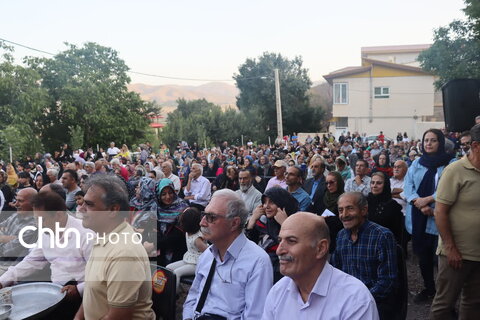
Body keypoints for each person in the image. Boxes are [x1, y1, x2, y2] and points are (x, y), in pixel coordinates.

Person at [262, 212, 379, 320]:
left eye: (291, 241)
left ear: (321, 248)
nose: (279, 251)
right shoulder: (278, 292)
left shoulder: (355, 299)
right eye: (280, 240)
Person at [0, 191, 93, 319]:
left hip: (84, 298)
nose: (39, 225)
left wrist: (79, 289)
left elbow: (101, 277)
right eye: (36, 219)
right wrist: (3, 281)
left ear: (59, 215)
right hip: (57, 292)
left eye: (42, 219)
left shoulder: (85, 235)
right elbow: (31, 261)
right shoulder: (46, 233)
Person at [183, 189, 273, 320]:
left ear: (234, 223)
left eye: (211, 217)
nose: (202, 222)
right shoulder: (207, 255)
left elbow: (255, 316)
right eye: (204, 215)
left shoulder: (258, 262)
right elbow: (192, 299)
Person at [75, 174, 154, 320]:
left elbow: (118, 317)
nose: (81, 209)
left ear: (113, 210)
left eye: (89, 204)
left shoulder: (124, 253)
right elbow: (93, 293)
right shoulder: (103, 236)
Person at [430, 124, 480, 319]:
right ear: (476, 146)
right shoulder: (455, 171)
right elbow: (440, 212)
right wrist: (450, 248)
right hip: (456, 254)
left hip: (478, 254)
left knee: (473, 303)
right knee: (444, 304)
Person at [404, 128, 453, 303]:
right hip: (419, 217)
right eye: (426, 140)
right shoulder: (416, 163)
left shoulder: (450, 164)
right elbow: (408, 187)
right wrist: (418, 202)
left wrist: (429, 199)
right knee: (423, 257)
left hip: (439, 218)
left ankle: (444, 298)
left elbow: (449, 188)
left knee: (440, 261)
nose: (429, 144)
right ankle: (429, 288)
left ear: (440, 143)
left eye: (433, 140)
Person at [332, 192, 397, 319]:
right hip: (345, 302)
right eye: (340, 210)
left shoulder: (382, 236)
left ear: (363, 210)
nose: (344, 215)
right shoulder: (341, 236)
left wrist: (358, 301)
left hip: (373, 303)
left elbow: (387, 282)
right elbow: (335, 272)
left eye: (350, 208)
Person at [245, 187, 299, 283]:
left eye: (272, 202)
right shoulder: (262, 222)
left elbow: (297, 248)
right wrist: (252, 220)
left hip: (285, 274)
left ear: (282, 204)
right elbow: (247, 248)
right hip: (260, 270)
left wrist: (285, 223)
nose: (266, 206)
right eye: (264, 202)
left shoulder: (296, 221)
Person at [166, 207, 208, 292]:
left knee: (176, 273)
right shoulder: (187, 233)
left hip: (196, 264)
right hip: (188, 259)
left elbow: (208, 252)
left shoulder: (197, 239)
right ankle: (179, 290)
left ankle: (173, 295)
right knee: (168, 268)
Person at [152, 178, 189, 266]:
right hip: (160, 252)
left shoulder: (183, 208)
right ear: (158, 195)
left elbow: (177, 236)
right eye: (163, 194)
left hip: (177, 253)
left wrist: (155, 244)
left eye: (170, 193)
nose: (168, 197)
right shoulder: (155, 208)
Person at [0, 188, 38, 273]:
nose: (16, 204)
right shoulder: (16, 215)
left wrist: (3, 238)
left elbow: (7, 251)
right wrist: (7, 238)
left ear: (33, 204)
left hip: (8, 267)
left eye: (20, 201)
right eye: (16, 200)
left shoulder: (33, 226)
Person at [367, 172, 403, 244]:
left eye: (379, 183)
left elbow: (397, 233)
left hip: (385, 243)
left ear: (386, 185)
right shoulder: (365, 201)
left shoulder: (393, 206)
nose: (374, 186)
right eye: (372, 182)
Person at [322, 171, 345, 253]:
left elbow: (342, 220)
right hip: (323, 234)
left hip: (337, 236)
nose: (329, 185)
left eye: (331, 182)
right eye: (327, 183)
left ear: (339, 182)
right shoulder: (323, 196)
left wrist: (327, 219)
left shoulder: (344, 199)